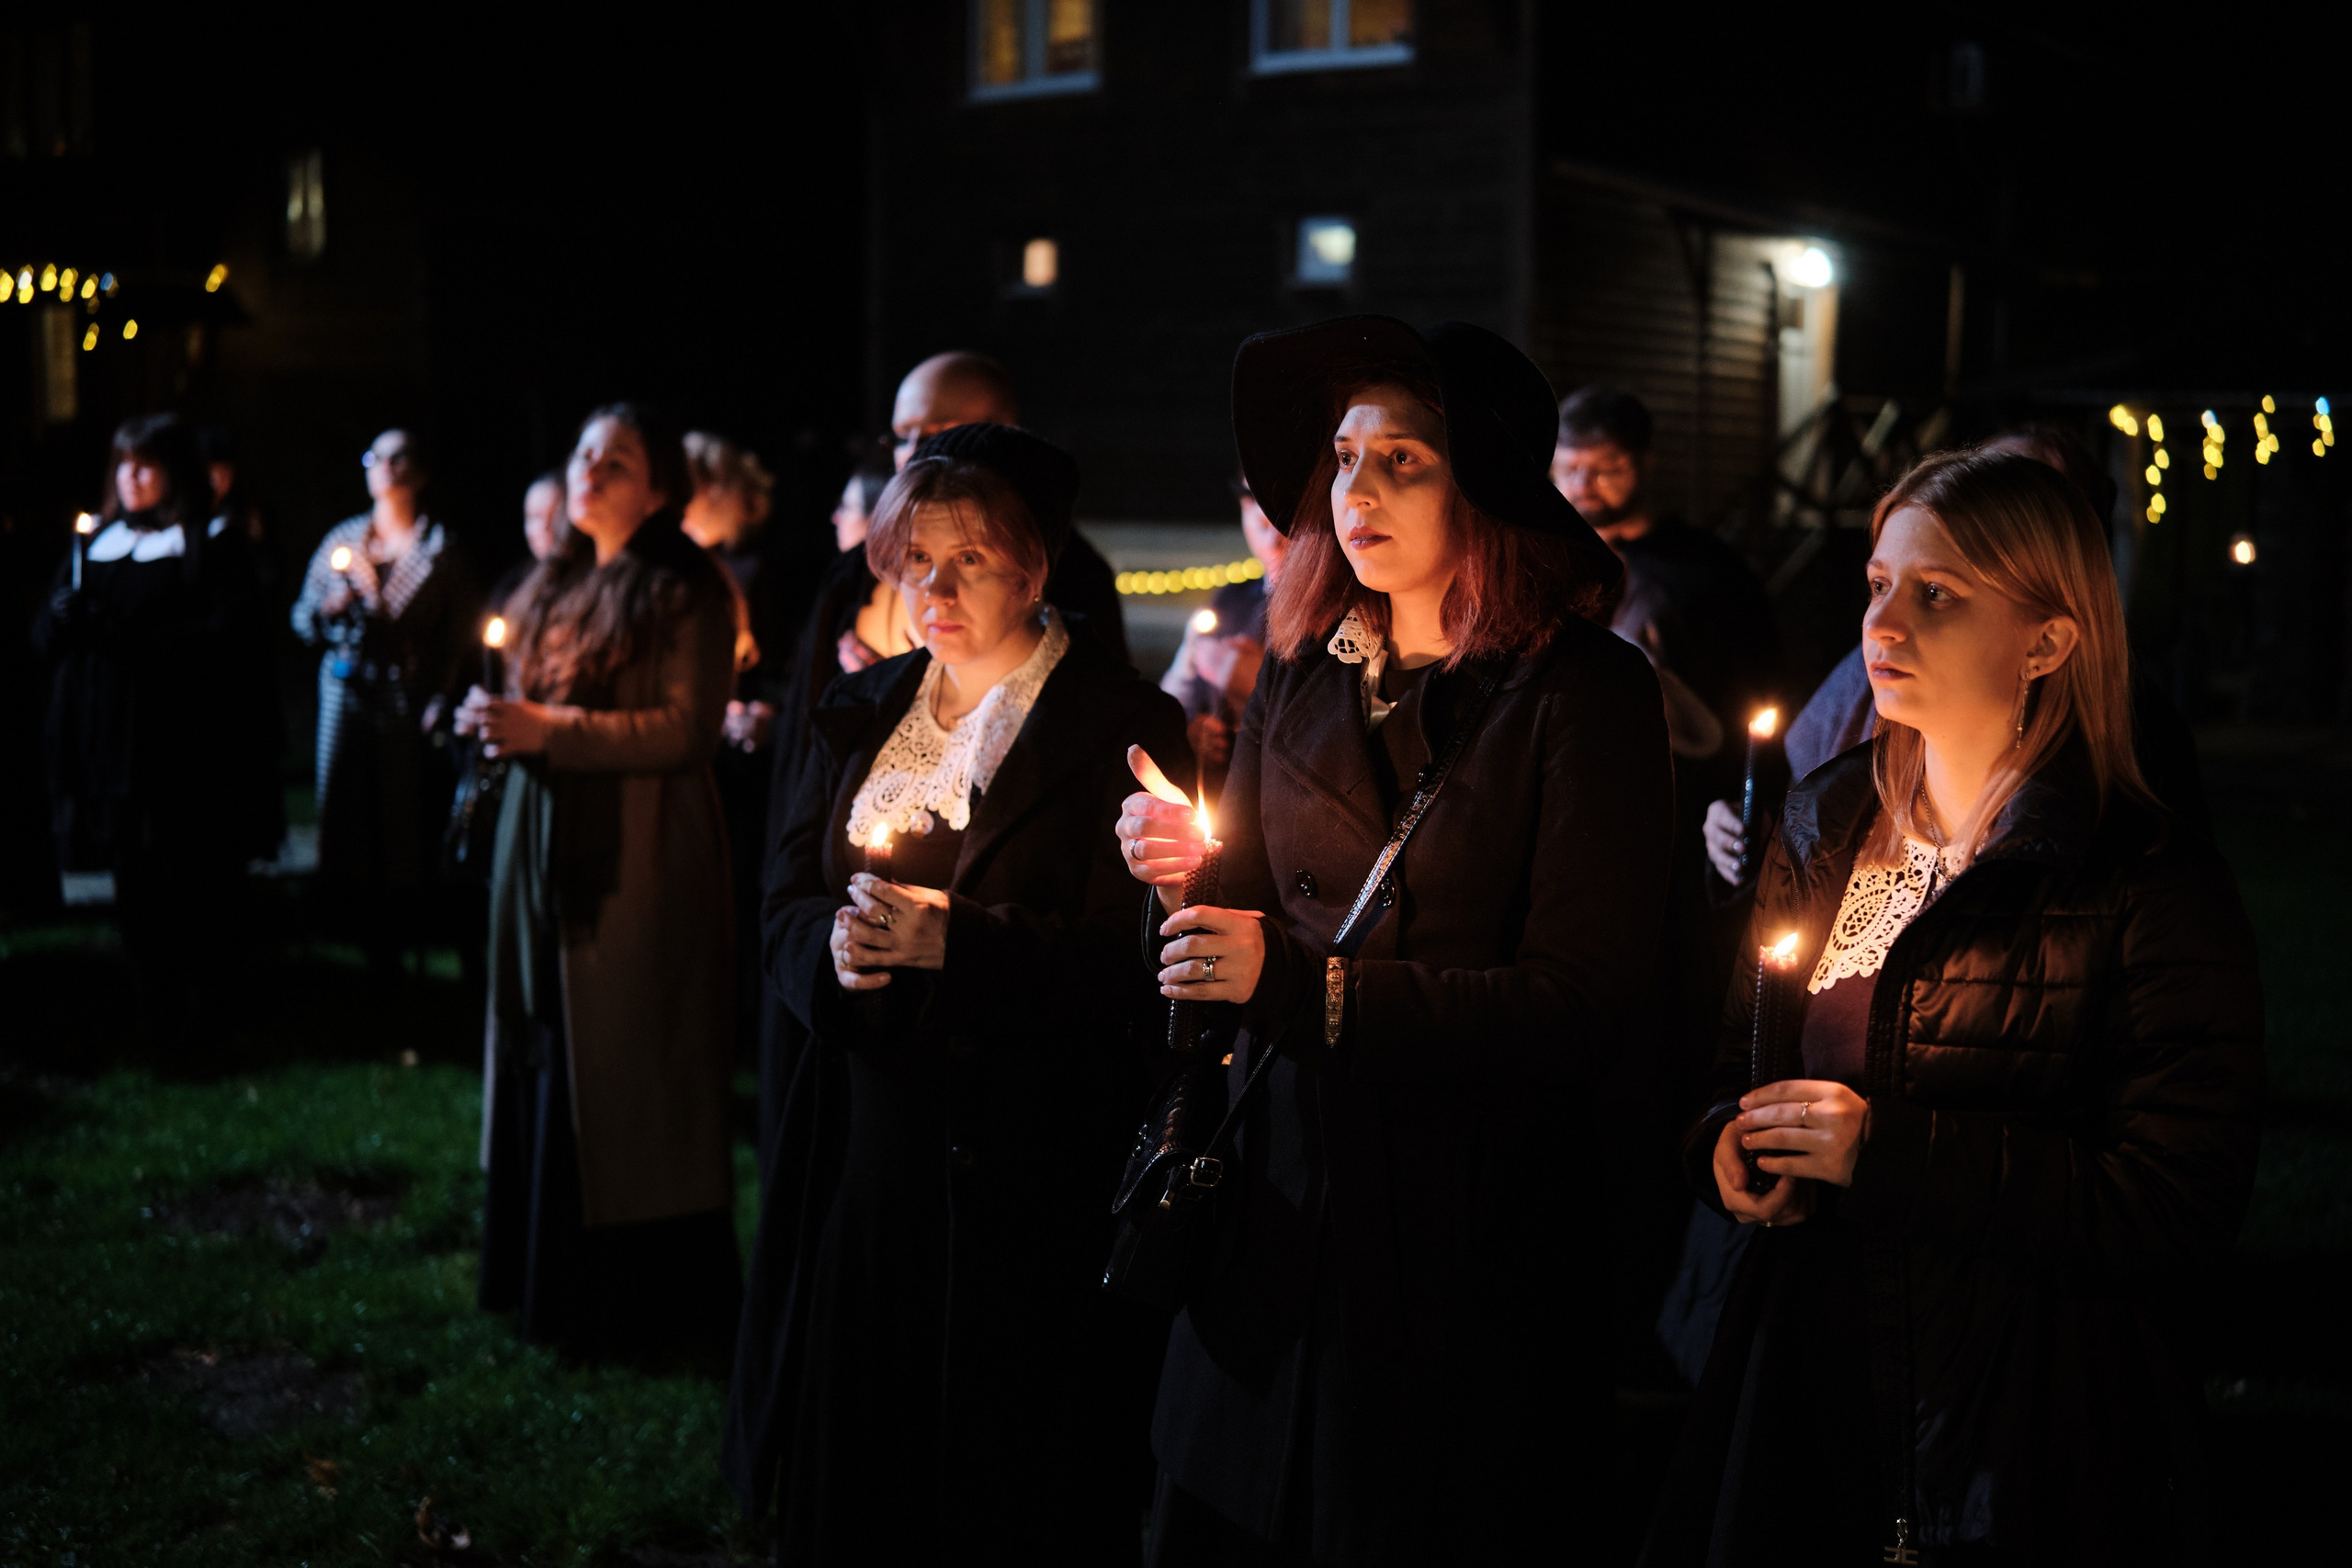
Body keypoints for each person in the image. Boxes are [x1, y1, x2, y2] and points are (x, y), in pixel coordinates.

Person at [1643, 449, 2264, 1566]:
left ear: (2047, 639)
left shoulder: (2136, 872)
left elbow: (2178, 1198)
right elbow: (1732, 1061)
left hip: (2031, 1419)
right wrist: (1727, 1154)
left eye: (1937, 595)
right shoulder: (1825, 823)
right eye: (1878, 584)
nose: (1884, 622)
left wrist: (1890, 1153)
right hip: (1814, 1387)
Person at [1119, 317, 1673, 1562]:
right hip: (1279, 1191)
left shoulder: (1583, 690)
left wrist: (1316, 993)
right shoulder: (1308, 666)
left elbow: (1586, 996)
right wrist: (1174, 870)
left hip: (1465, 1224)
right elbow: (1248, 906)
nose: (1353, 488)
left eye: (1402, 458)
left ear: (1483, 480)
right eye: (1343, 454)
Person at [724, 423, 1191, 1562]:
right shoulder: (859, 708)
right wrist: (827, 958)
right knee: (865, 1457)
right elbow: (783, 894)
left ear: (1033, 566)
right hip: (865, 1156)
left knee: (1002, 1473)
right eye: (915, 559)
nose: (931, 588)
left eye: (968, 560)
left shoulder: (1121, 728)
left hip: (1034, 1167)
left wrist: (962, 944)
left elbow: (1136, 958)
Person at [462, 403, 741, 1367]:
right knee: (549, 1040)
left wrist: (551, 732)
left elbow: (686, 730)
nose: (590, 470)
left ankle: (635, 1305)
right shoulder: (558, 578)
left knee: (623, 1056)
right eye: (583, 453)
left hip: (639, 847)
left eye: (615, 461)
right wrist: (499, 716)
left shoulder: (686, 588)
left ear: (658, 488)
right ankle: (544, 1279)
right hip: (544, 838)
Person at [1555, 384, 1786, 1386]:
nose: (1585, 485)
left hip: (1696, 848)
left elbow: (1745, 708)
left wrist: (1734, 803)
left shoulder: (1702, 574)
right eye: (1568, 469)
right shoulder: (1553, 566)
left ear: (1638, 463)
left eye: (1602, 466)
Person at [33, 413, 272, 1040]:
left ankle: (209, 1002)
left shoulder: (208, 544)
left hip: (176, 745)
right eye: (123, 464)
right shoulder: (98, 543)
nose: (131, 477)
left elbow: (228, 641)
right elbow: (44, 638)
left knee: (190, 875)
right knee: (133, 879)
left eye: (145, 464)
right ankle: (152, 1000)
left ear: (174, 472)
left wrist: (134, 639)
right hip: (108, 744)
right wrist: (62, 620)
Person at [290, 429, 479, 969]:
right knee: (347, 807)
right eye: (376, 456)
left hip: (408, 700)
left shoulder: (440, 548)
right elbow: (301, 618)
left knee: (401, 813)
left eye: (401, 457)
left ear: (420, 473)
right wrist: (328, 612)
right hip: (346, 697)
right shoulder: (341, 541)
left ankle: (406, 921)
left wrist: (443, 694)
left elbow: (460, 635)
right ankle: (353, 921)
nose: (387, 467)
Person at [889, 349, 1130, 666]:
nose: (910, 455)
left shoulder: (1075, 574)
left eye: (940, 434)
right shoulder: (863, 561)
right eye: (904, 436)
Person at [685, 430, 786, 1063]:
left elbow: (782, 659)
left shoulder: (760, 571)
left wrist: (765, 709)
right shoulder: (686, 570)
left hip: (745, 761)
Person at [1159, 473, 1288, 789]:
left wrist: (1257, 692)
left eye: (1275, 501)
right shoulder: (1232, 599)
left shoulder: (1339, 609)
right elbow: (1171, 705)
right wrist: (1192, 730)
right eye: (1249, 500)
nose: (1263, 521)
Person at [486, 469, 569, 614]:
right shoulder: (511, 586)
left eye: (555, 515)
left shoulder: (587, 581)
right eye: (535, 516)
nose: (544, 527)